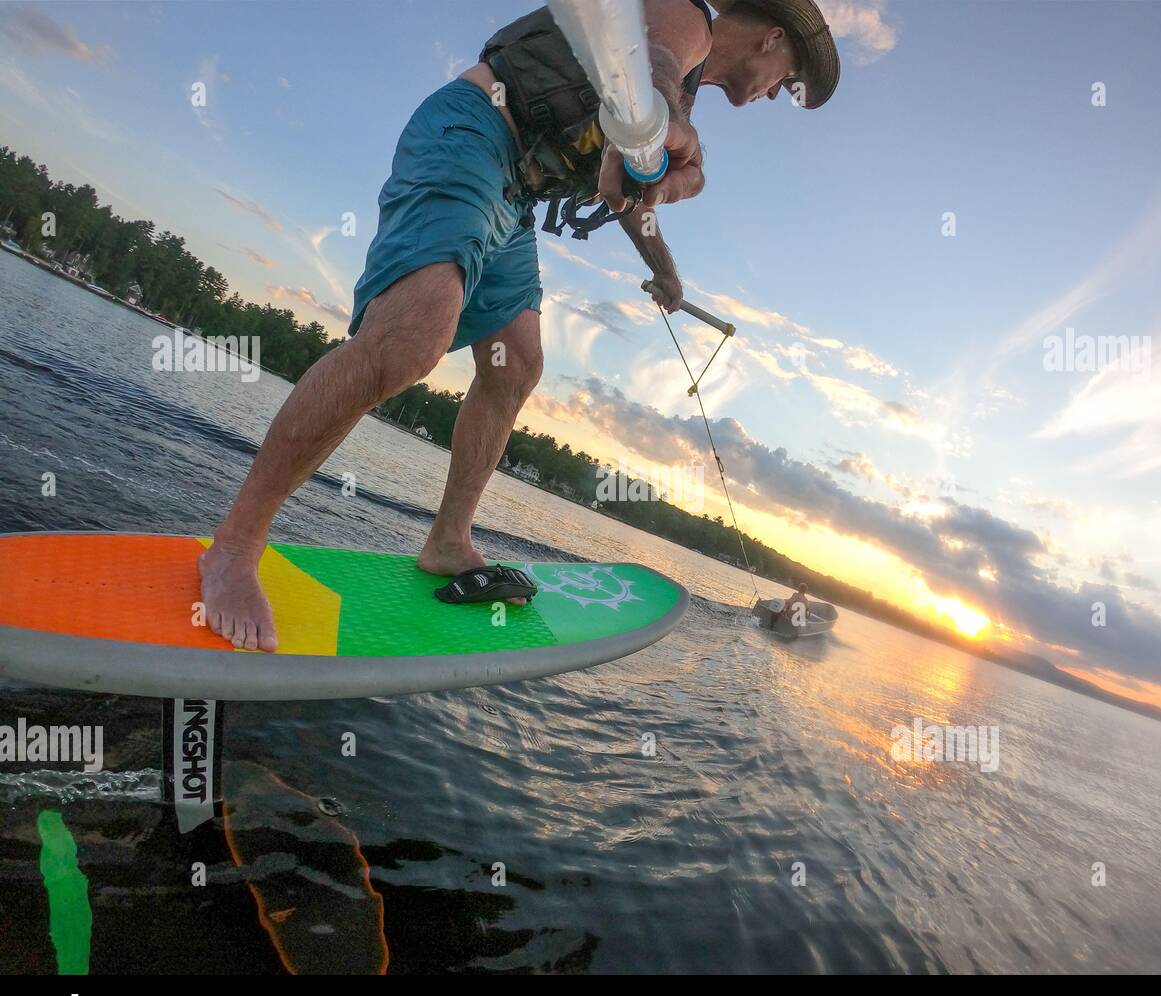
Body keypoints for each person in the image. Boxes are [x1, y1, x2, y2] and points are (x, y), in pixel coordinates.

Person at [199, 0, 840, 650]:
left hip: (516, 195)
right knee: (410, 340)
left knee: (518, 363)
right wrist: (662, 115)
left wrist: (666, 272)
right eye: (789, 81)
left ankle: (448, 541)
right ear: (772, 36)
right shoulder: (687, 17)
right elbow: (659, 49)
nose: (773, 98)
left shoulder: (685, 91)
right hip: (476, 134)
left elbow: (627, 197)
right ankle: (234, 548)